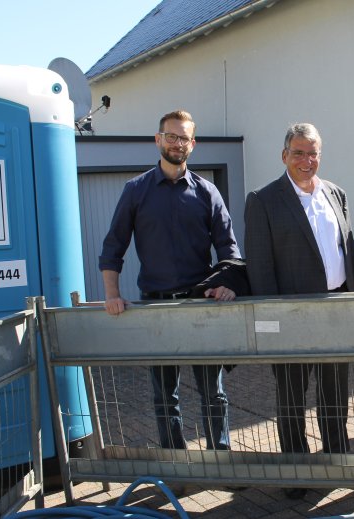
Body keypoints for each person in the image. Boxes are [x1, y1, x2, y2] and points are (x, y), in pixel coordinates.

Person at [99, 110, 241, 452]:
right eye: (171, 136)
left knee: (213, 390)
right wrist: (112, 295)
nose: (178, 143)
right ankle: (175, 460)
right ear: (158, 139)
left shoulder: (208, 193)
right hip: (156, 303)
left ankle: (220, 457)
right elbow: (113, 245)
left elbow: (228, 247)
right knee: (165, 392)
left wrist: (227, 282)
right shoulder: (136, 191)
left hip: (200, 303)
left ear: (193, 144)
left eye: (184, 138)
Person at [244, 123, 354, 500]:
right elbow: (259, 268)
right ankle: (296, 467)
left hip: (337, 308)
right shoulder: (263, 200)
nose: (307, 161)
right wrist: (271, 324)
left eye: (313, 153)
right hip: (291, 314)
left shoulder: (336, 193)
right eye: (299, 153)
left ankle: (337, 456)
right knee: (292, 395)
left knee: (335, 390)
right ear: (284, 155)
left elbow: (348, 252)